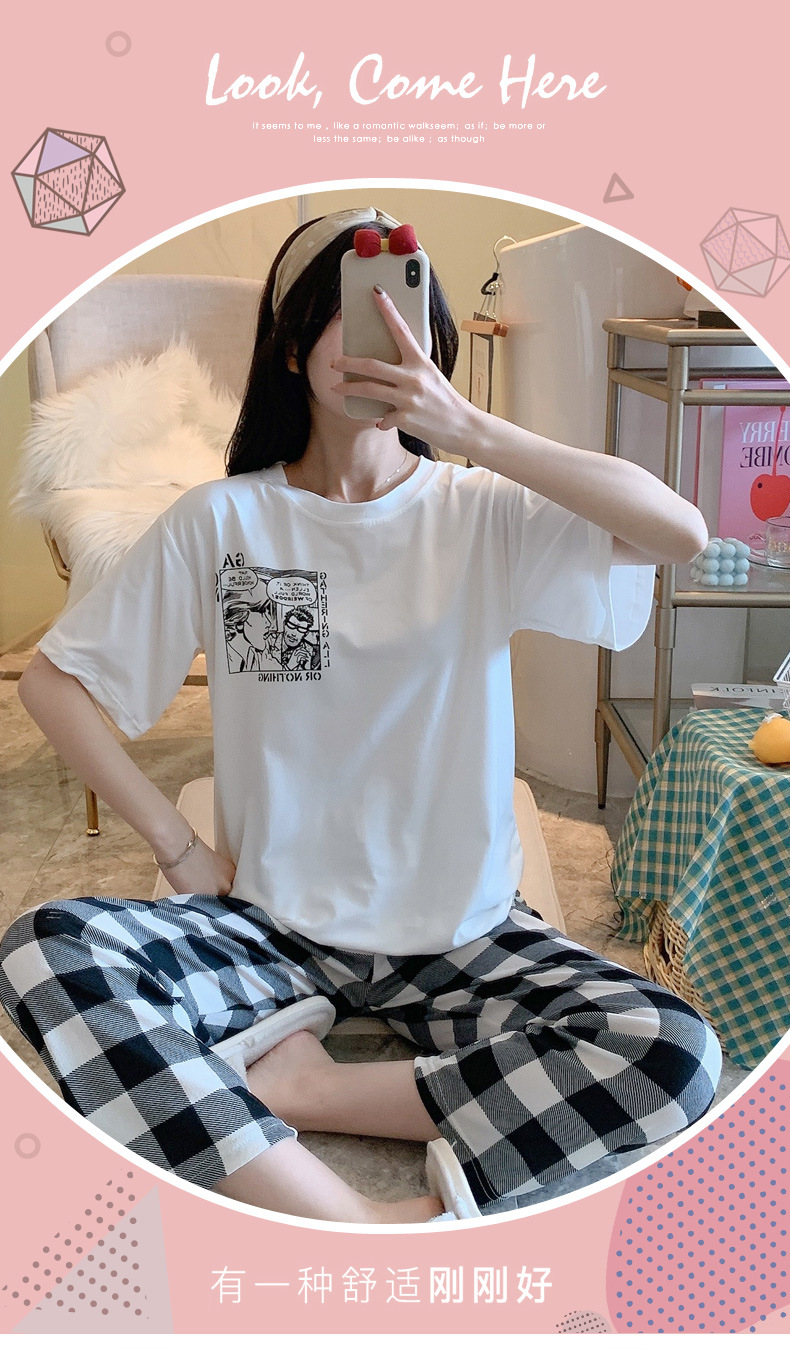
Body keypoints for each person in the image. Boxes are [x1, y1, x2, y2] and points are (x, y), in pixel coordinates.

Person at [0, 207, 721, 1227]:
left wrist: (470, 429)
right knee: (45, 949)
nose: (383, 336)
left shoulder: (479, 509)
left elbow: (680, 533)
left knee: (674, 1053)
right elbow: (53, 684)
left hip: (464, 932)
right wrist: (178, 848)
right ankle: (353, 1221)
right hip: (270, 927)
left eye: (405, 316)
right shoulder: (225, 519)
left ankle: (308, 1089)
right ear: (295, 347)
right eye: (355, 310)